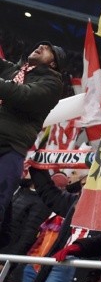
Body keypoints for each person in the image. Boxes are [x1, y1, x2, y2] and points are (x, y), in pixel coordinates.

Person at [0, 42, 65, 222]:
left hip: (8, 150)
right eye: (39, 45)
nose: (40, 46)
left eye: (48, 49)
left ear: (53, 63)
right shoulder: (14, 71)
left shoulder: (52, 84)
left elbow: (21, 95)